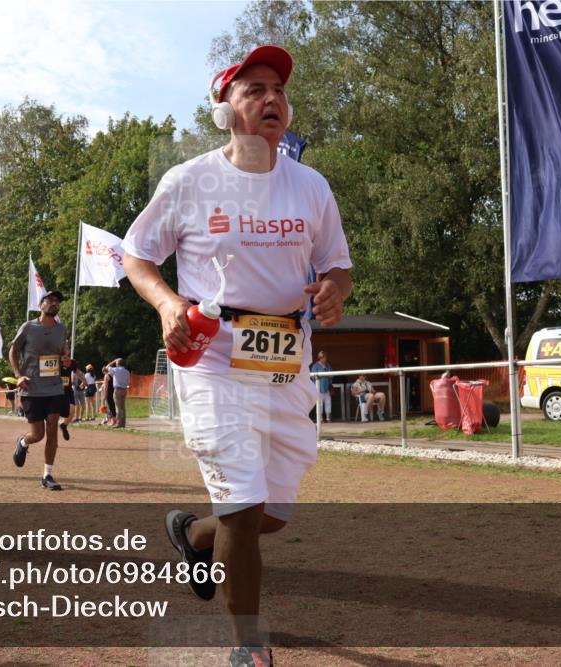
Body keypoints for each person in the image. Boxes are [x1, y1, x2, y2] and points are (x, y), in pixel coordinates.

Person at [121, 44, 352, 666]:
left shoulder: (310, 186)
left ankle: (193, 535)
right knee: (244, 511)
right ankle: (249, 647)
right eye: (254, 89)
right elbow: (136, 255)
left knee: (269, 515)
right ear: (226, 108)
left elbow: (337, 263)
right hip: (212, 360)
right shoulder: (190, 181)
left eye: (277, 88)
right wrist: (168, 306)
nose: (271, 97)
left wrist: (333, 290)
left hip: (285, 364)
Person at [10, 290, 67, 491]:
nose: (54, 304)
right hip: (31, 388)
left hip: (54, 387)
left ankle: (47, 475)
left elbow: (63, 350)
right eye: (50, 301)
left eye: (57, 302)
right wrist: (18, 375)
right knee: (38, 435)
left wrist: (66, 358)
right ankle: (24, 442)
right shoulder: (28, 327)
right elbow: (13, 350)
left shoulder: (61, 329)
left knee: (52, 427)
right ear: (41, 305)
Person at [58, 349, 81, 440]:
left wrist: (84, 380)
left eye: (68, 357)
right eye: (64, 358)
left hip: (68, 390)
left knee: (72, 411)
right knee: (55, 413)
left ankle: (64, 425)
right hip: (56, 391)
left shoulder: (72, 363)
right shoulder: (56, 363)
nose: (67, 360)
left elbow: (77, 372)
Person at [105, 358, 130, 428]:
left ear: (117, 363)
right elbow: (128, 382)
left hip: (117, 389)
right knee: (123, 407)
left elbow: (106, 367)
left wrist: (113, 361)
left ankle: (118, 423)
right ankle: (123, 423)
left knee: (118, 407)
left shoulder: (115, 370)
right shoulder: (127, 371)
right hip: (124, 389)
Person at [310, 351, 334, 422]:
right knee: (319, 403)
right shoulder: (315, 366)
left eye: (325, 357)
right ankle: (320, 418)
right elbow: (313, 377)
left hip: (327, 388)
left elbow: (331, 375)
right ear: (320, 358)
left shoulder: (328, 365)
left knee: (328, 402)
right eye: (323, 358)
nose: (324, 359)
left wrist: (330, 376)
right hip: (318, 388)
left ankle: (328, 418)